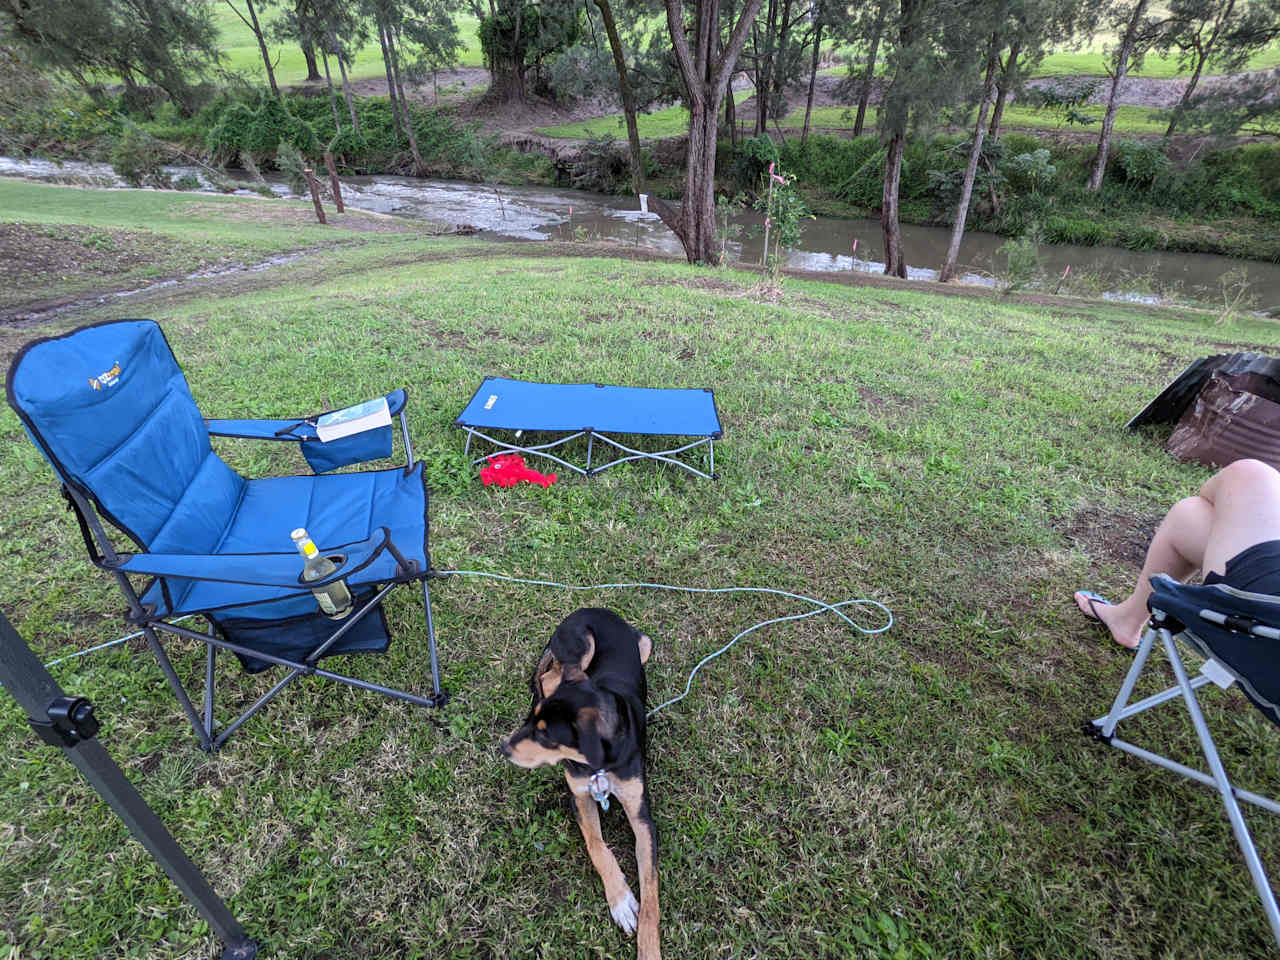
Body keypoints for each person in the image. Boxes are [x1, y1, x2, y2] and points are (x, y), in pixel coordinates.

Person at [1075, 458, 1280, 649]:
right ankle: (1127, 620)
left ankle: (1128, 619)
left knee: (1249, 474)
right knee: (1189, 517)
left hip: (1262, 617)